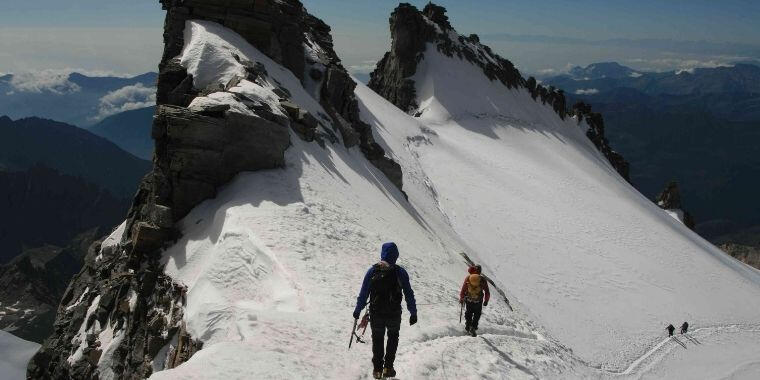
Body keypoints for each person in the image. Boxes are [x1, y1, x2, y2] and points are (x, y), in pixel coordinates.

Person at [354, 242, 417, 379]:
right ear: (396, 255)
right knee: (393, 338)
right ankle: (388, 368)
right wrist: (413, 312)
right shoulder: (400, 272)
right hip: (394, 313)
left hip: (376, 313)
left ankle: (377, 370)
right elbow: (409, 293)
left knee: (377, 339)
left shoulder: (373, 271)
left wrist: (357, 311)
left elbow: (363, 293)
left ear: (382, 253)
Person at [459, 264, 490, 337]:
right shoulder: (482, 279)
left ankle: (468, 326)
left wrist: (461, 298)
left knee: (468, 313)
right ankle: (473, 327)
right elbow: (487, 291)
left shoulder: (468, 278)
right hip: (478, 301)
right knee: (477, 314)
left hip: (469, 300)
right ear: (480, 271)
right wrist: (486, 301)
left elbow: (463, 289)